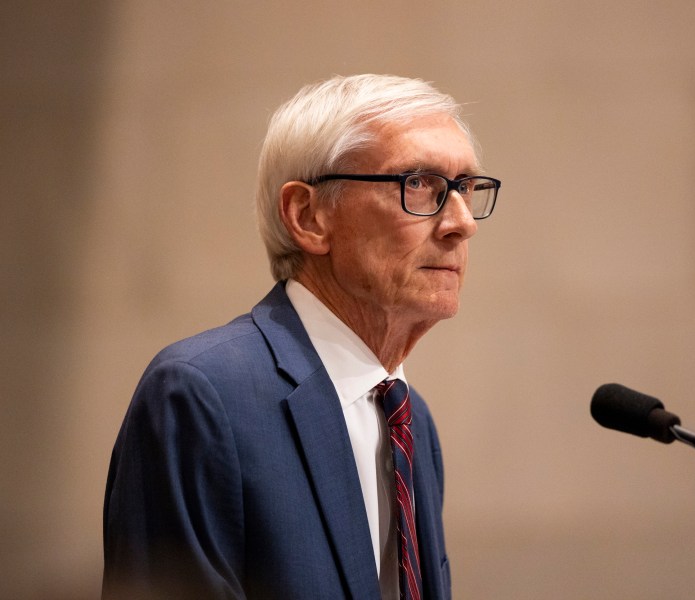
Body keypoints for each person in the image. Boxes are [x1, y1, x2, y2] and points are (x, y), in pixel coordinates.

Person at [102, 73, 500, 599]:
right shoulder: (201, 396)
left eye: (466, 188)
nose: (461, 223)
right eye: (419, 183)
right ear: (308, 217)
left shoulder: (411, 419)